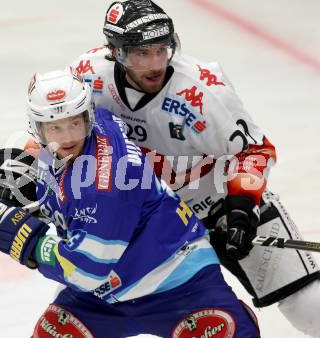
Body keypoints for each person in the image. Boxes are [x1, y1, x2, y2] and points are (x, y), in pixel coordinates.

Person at [43, 0, 319, 336]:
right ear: (114, 52)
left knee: (310, 306)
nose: (155, 63)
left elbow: (254, 151)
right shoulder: (87, 76)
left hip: (219, 209)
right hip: (147, 223)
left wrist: (242, 208)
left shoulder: (203, 91)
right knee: (73, 317)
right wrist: (26, 166)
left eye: (162, 49)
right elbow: (55, 128)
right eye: (141, 54)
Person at [0, 67, 260, 337]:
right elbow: (50, 164)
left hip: (177, 285)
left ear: (85, 116)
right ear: (38, 129)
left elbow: (88, 269)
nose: (67, 138)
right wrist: (24, 165)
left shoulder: (106, 183)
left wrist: (26, 240)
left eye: (74, 124)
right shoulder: (97, 122)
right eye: (55, 128)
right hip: (102, 299)